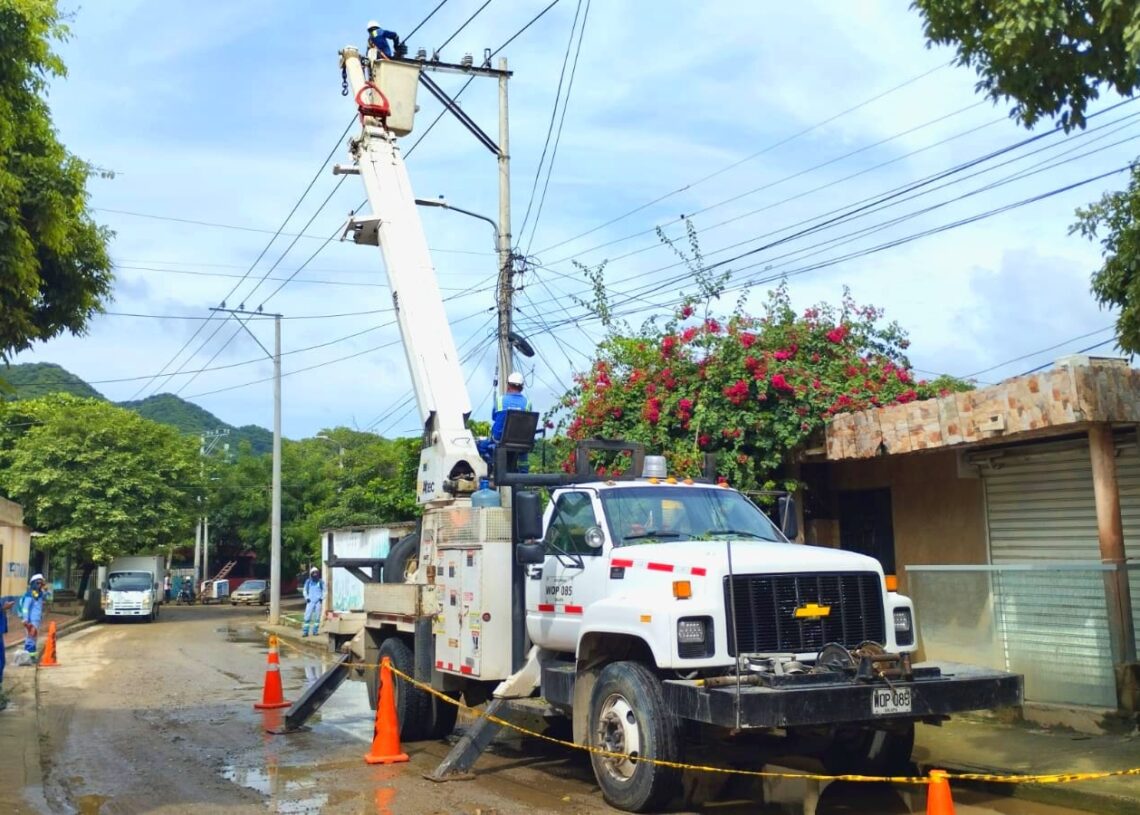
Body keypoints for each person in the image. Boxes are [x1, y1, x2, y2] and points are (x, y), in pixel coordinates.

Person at [491, 372, 532, 442]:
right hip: (521, 441)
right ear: (522, 387)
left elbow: (494, 417)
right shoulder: (528, 403)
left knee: (481, 445)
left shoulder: (499, 400)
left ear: (508, 385)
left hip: (499, 439)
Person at [19, 574, 49, 658]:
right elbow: (25, 608)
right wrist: (26, 620)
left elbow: (48, 597)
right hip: (30, 621)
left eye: (41, 583)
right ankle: (29, 656)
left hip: (37, 620)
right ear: (33, 583)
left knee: (34, 638)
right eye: (38, 583)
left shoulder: (39, 594)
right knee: (31, 637)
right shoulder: (29, 595)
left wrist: (45, 589)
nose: (40, 585)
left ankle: (30, 656)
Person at [301, 568, 325, 638]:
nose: (315, 574)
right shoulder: (308, 581)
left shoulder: (321, 582)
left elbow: (325, 591)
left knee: (317, 617)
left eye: (316, 573)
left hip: (318, 602)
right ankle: (305, 632)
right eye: (313, 573)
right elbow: (304, 590)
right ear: (311, 574)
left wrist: (321, 598)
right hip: (310, 601)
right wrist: (307, 598)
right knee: (307, 617)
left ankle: (315, 631)